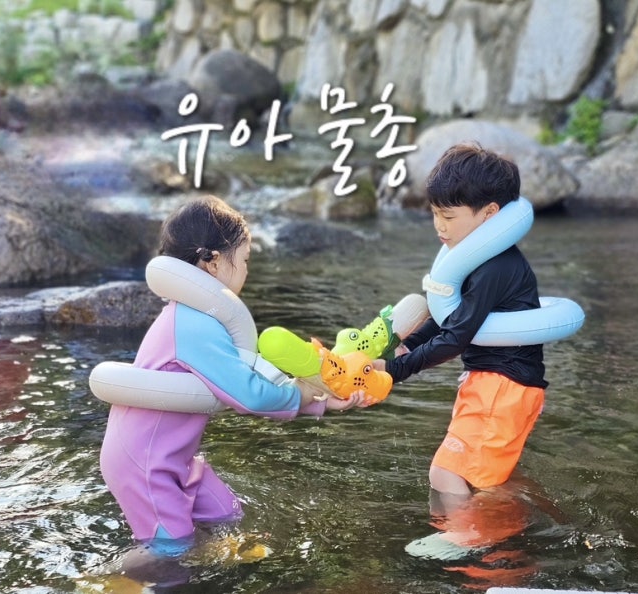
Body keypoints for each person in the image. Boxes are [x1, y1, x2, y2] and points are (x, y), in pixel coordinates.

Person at [100, 195, 364, 551]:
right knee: (171, 550)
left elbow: (251, 377)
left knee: (227, 515)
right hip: (144, 462)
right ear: (213, 263)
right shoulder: (191, 324)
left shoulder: (199, 317)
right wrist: (302, 394)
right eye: (244, 260)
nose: (246, 271)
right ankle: (112, 577)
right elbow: (249, 393)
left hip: (175, 457)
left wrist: (319, 399)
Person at [376, 143, 547, 497]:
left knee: (446, 474)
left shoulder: (496, 267)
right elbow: (448, 318)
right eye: (434, 213)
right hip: (495, 383)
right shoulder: (475, 259)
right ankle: (527, 520)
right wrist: (407, 346)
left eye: (449, 216)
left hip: (502, 386)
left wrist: (393, 370)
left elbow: (456, 336)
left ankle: (468, 532)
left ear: (489, 213)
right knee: (481, 479)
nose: (439, 225)